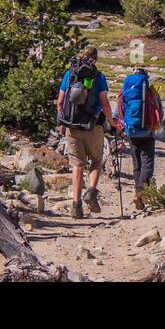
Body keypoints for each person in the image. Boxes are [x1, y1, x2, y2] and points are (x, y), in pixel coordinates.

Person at [56, 46, 112, 219]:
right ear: (95, 58)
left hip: (72, 125)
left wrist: (62, 123)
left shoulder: (69, 74)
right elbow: (104, 103)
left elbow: (60, 101)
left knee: (77, 164)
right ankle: (92, 191)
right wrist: (112, 122)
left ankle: (76, 205)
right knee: (96, 160)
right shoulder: (99, 76)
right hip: (93, 125)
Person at [114, 66, 163, 213]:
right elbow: (160, 112)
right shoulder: (152, 91)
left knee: (137, 164)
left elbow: (117, 114)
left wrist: (122, 129)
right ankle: (140, 193)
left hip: (132, 132)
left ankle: (138, 194)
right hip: (148, 132)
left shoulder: (124, 92)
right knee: (147, 163)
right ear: (146, 78)